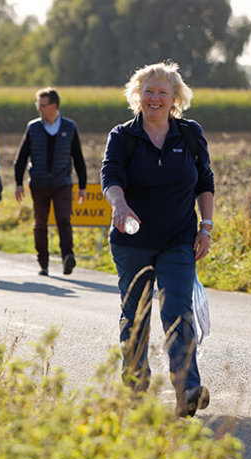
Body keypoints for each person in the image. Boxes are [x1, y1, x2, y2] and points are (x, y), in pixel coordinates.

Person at [100, 61, 215, 418]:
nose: (155, 98)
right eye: (148, 91)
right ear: (138, 96)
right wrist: (119, 205)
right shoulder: (123, 136)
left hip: (179, 239)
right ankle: (135, 388)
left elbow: (205, 182)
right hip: (131, 241)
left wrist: (206, 226)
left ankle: (187, 388)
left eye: (163, 92)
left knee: (177, 311)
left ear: (175, 99)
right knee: (136, 315)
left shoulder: (190, 135)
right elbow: (110, 175)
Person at [14, 87, 88, 276]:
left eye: (42, 105)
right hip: (38, 184)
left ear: (53, 106)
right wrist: (18, 183)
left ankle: (67, 257)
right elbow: (21, 157)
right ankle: (43, 263)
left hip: (62, 182)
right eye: (38, 105)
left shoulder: (69, 127)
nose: (39, 109)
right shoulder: (33, 128)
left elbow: (78, 158)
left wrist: (82, 186)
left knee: (64, 219)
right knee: (40, 223)